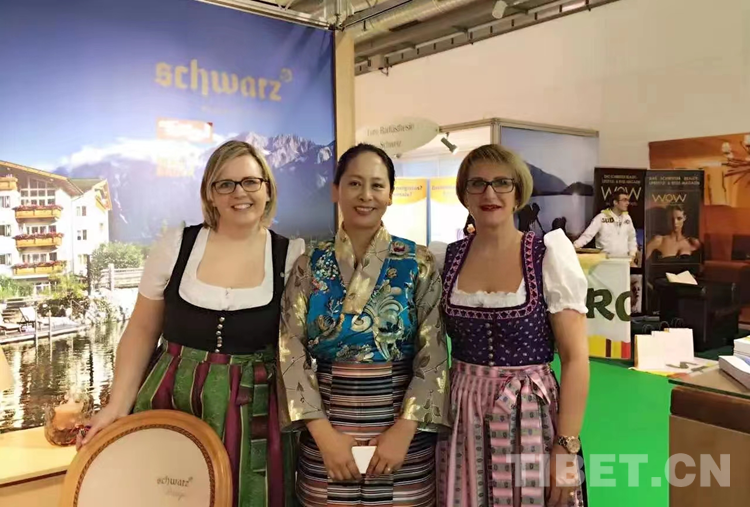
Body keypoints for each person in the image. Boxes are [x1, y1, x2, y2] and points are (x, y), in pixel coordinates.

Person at [77, 140, 305, 507]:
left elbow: (299, 349)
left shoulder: (292, 256)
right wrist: (117, 406)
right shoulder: (176, 246)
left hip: (255, 410)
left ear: (267, 189)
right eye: (225, 184)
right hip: (173, 400)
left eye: (250, 181)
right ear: (210, 194)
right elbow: (141, 330)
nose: (239, 193)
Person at [277, 143, 450, 506]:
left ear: (390, 194)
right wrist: (323, 435)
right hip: (326, 428)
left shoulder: (417, 262)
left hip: (402, 432)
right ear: (335, 190)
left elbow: (433, 353)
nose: (366, 195)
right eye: (354, 183)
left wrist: (404, 429)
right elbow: (290, 350)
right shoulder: (309, 264)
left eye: (377, 185)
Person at [430, 144, 590, 507]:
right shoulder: (446, 258)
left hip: (529, 412)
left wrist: (566, 445)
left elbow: (575, 358)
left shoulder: (547, 254)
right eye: (477, 184)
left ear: (518, 192)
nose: (489, 194)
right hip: (463, 412)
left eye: (502, 183)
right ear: (464, 194)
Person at [574, 191, 637, 263]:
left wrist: (632, 255)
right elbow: (588, 235)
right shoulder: (601, 218)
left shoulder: (627, 218)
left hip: (623, 260)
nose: (627, 203)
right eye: (624, 200)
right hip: (605, 260)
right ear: (615, 202)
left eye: (628, 200)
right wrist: (574, 246)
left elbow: (632, 238)